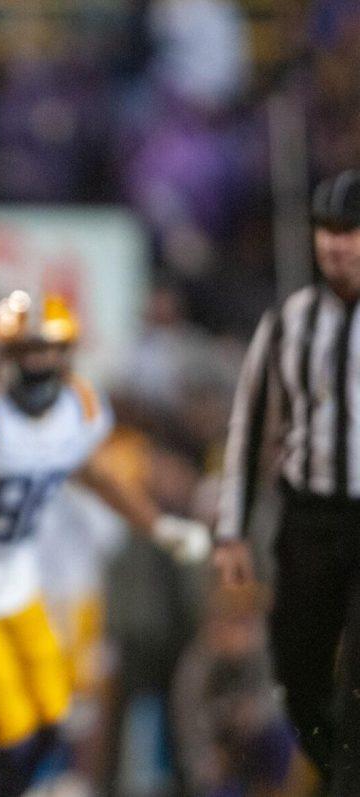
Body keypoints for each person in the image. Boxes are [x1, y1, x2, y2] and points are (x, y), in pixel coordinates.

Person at [0, 290, 210, 796]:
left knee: (56, 720)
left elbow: (93, 474)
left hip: (16, 577)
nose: (39, 364)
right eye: (26, 353)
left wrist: (157, 525)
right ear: (1, 357)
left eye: (49, 351)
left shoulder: (80, 411)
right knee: (10, 734)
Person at [215, 169, 360, 792]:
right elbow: (248, 428)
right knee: (296, 669)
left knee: (357, 675)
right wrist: (230, 531)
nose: (336, 243)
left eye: (349, 230)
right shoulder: (287, 323)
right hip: (308, 518)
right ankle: (337, 772)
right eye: (326, 230)